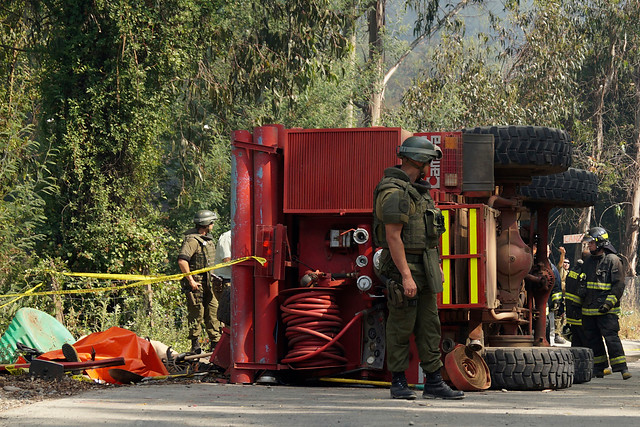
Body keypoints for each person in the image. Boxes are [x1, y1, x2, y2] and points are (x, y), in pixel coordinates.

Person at [373, 136, 464, 400]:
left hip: (424, 265)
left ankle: (434, 382)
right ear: (419, 160)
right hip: (405, 266)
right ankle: (399, 382)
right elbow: (393, 237)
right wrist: (405, 276)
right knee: (401, 325)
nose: (430, 168)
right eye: (429, 162)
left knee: (430, 325)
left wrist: (436, 266)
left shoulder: (418, 192)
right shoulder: (394, 191)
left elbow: (428, 237)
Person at [581, 227, 631, 380]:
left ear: (600, 242)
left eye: (591, 242)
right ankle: (599, 368)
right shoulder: (588, 261)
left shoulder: (613, 260)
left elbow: (618, 286)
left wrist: (608, 304)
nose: (588, 245)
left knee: (611, 338)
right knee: (593, 339)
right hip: (589, 310)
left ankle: (622, 368)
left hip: (606, 310)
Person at [177, 209, 222, 353]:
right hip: (196, 286)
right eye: (212, 222)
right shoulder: (192, 240)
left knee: (213, 313)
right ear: (206, 223)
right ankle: (195, 347)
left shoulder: (207, 239)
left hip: (209, 284)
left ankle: (215, 346)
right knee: (196, 314)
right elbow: (182, 261)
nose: (213, 225)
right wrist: (191, 281)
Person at [213, 229, 232, 326]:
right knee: (228, 315)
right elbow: (227, 260)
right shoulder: (227, 237)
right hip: (225, 281)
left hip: (234, 280)